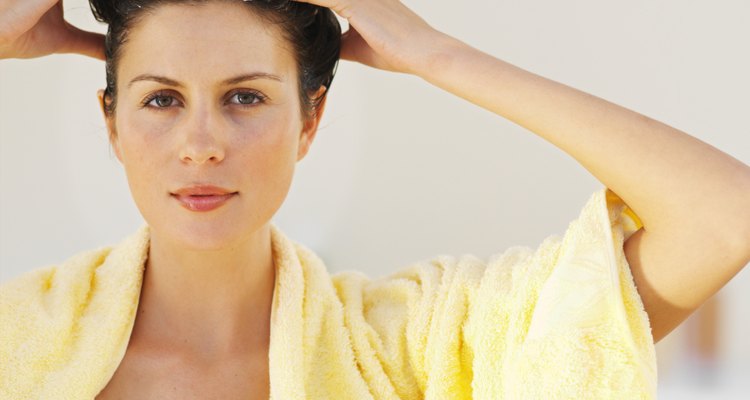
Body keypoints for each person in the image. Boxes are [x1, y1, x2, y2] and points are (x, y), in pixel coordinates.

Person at [1, 0, 748, 398]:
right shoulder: (13, 342)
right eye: (161, 100)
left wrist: (437, 55)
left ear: (310, 119)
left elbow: (724, 215)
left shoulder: (416, 347)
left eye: (245, 97)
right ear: (112, 123)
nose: (202, 143)